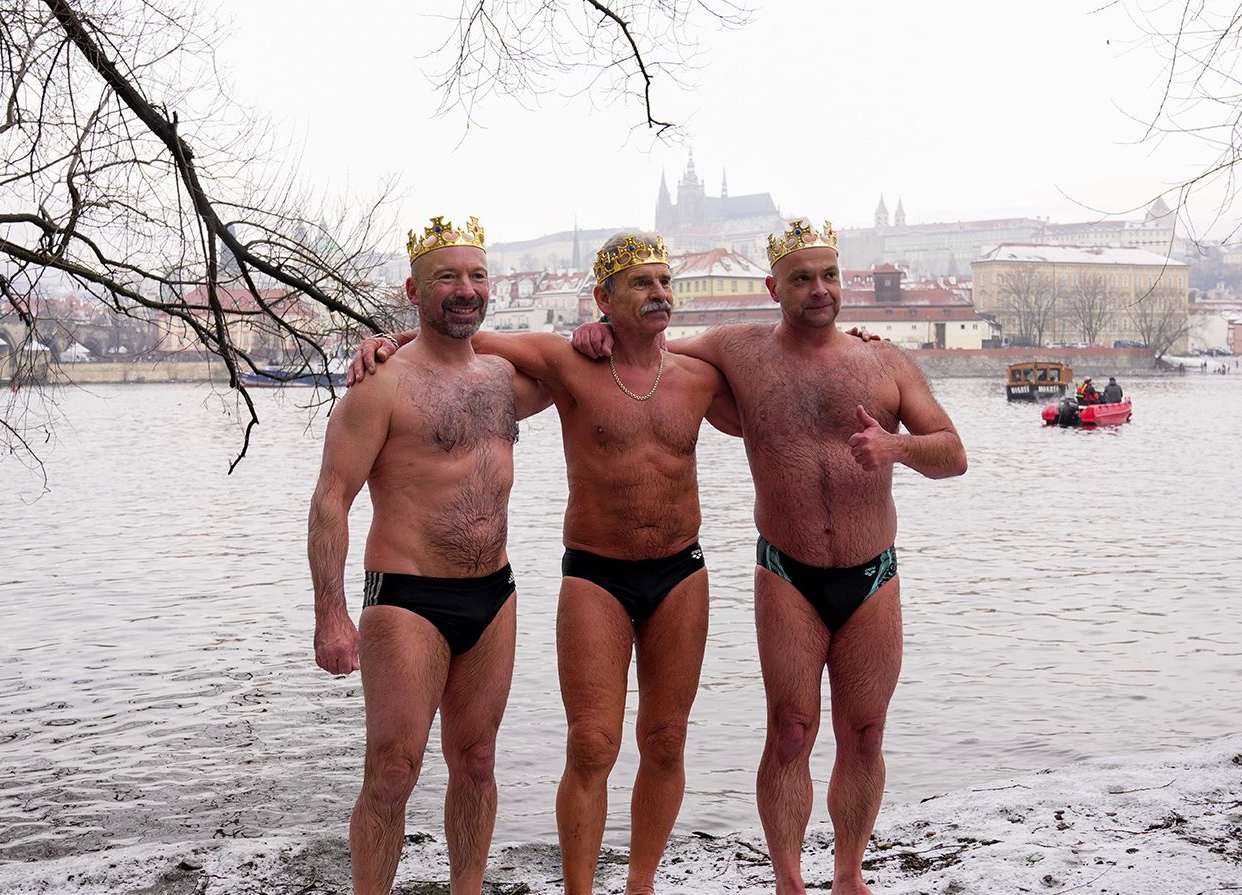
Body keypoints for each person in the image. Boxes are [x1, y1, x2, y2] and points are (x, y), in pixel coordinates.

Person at [573, 218, 968, 895]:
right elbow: (653, 348)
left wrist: (897, 448)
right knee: (790, 730)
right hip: (786, 571)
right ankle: (788, 879)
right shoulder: (740, 350)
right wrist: (597, 332)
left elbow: (954, 454)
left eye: (830, 275)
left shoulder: (885, 362)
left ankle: (848, 873)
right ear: (773, 286)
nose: (820, 289)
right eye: (803, 278)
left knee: (865, 731)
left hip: (873, 572)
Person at [345, 231, 741, 894]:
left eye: (664, 282)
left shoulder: (700, 374)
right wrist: (389, 343)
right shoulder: (567, 363)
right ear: (603, 298)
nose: (659, 294)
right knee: (590, 743)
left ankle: (641, 883)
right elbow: (463, 343)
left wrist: (860, 346)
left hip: (681, 571)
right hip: (594, 573)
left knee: (666, 740)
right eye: (641, 284)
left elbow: (777, 382)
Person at [308, 215, 553, 895]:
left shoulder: (504, 380)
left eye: (477, 275)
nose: (466, 289)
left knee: (476, 760)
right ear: (413, 287)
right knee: (393, 768)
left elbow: (571, 363)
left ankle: (466, 888)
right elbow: (331, 498)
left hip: (493, 596)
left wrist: (407, 331)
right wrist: (330, 614)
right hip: (408, 598)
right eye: (447, 276)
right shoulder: (381, 383)